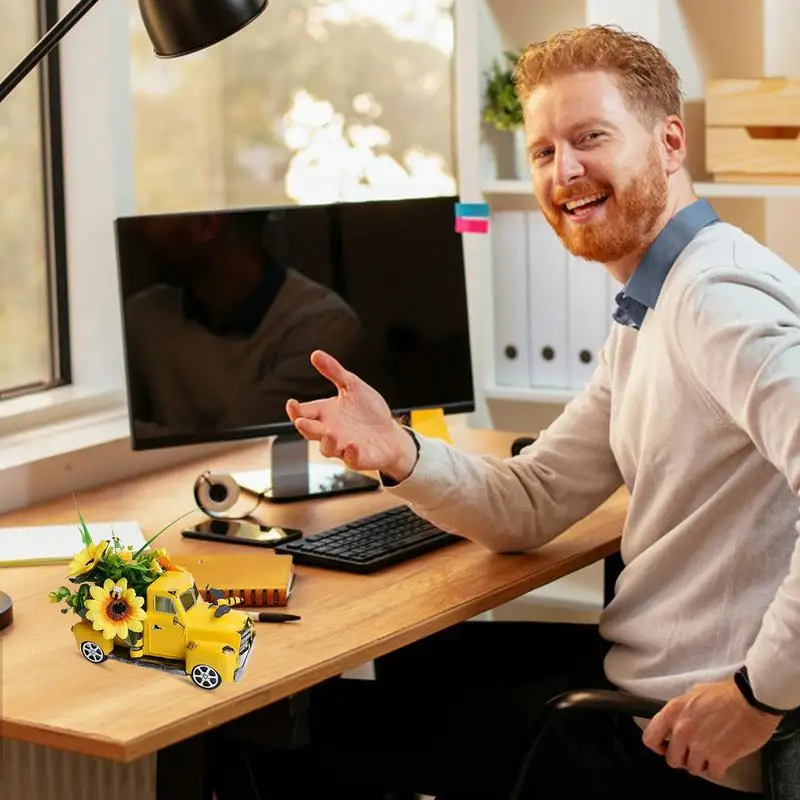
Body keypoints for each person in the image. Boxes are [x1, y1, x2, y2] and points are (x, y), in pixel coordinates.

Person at [230, 24, 800, 799]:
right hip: (642, 684)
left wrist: (760, 697)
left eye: (590, 137)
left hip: (678, 729)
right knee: (405, 674)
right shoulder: (653, 302)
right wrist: (398, 452)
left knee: (284, 736)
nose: (565, 171)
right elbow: (532, 502)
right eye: (542, 150)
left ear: (670, 142)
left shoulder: (713, 301)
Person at [122, 211, 364, 436]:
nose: (134, 227)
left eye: (149, 218)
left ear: (206, 223)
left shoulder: (321, 328)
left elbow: (239, 445)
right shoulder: (141, 316)